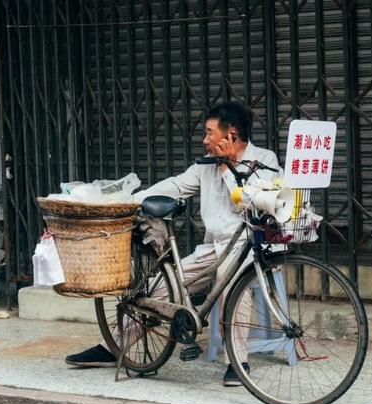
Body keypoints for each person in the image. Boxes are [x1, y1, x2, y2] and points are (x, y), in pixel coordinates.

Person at [65, 102, 281, 386]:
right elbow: (177, 185)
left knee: (232, 288)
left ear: (231, 136)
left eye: (209, 133)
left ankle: (237, 363)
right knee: (157, 289)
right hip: (212, 249)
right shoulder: (205, 165)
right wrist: (131, 200)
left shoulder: (263, 160)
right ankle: (112, 347)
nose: (204, 140)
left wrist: (230, 167)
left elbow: (254, 204)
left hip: (244, 248)